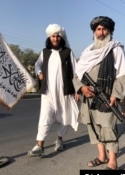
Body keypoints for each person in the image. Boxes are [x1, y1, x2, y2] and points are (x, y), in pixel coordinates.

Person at [73, 16, 125, 170]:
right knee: (93, 127)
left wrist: (115, 95)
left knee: (108, 128)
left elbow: (122, 74)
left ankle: (112, 162)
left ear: (110, 31)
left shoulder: (115, 49)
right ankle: (102, 157)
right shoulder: (87, 51)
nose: (101, 32)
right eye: (98, 29)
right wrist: (82, 88)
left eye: (105, 29)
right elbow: (77, 75)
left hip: (106, 96)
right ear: (94, 32)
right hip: (88, 96)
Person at [28, 24, 79, 157]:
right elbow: (37, 65)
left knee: (63, 116)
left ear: (61, 38)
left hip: (64, 91)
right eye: (53, 36)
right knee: (44, 117)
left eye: (57, 36)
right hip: (48, 92)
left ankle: (59, 140)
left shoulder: (68, 52)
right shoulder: (45, 52)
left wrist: (77, 90)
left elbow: (76, 71)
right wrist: (39, 72)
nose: (55, 39)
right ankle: (40, 145)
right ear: (49, 38)